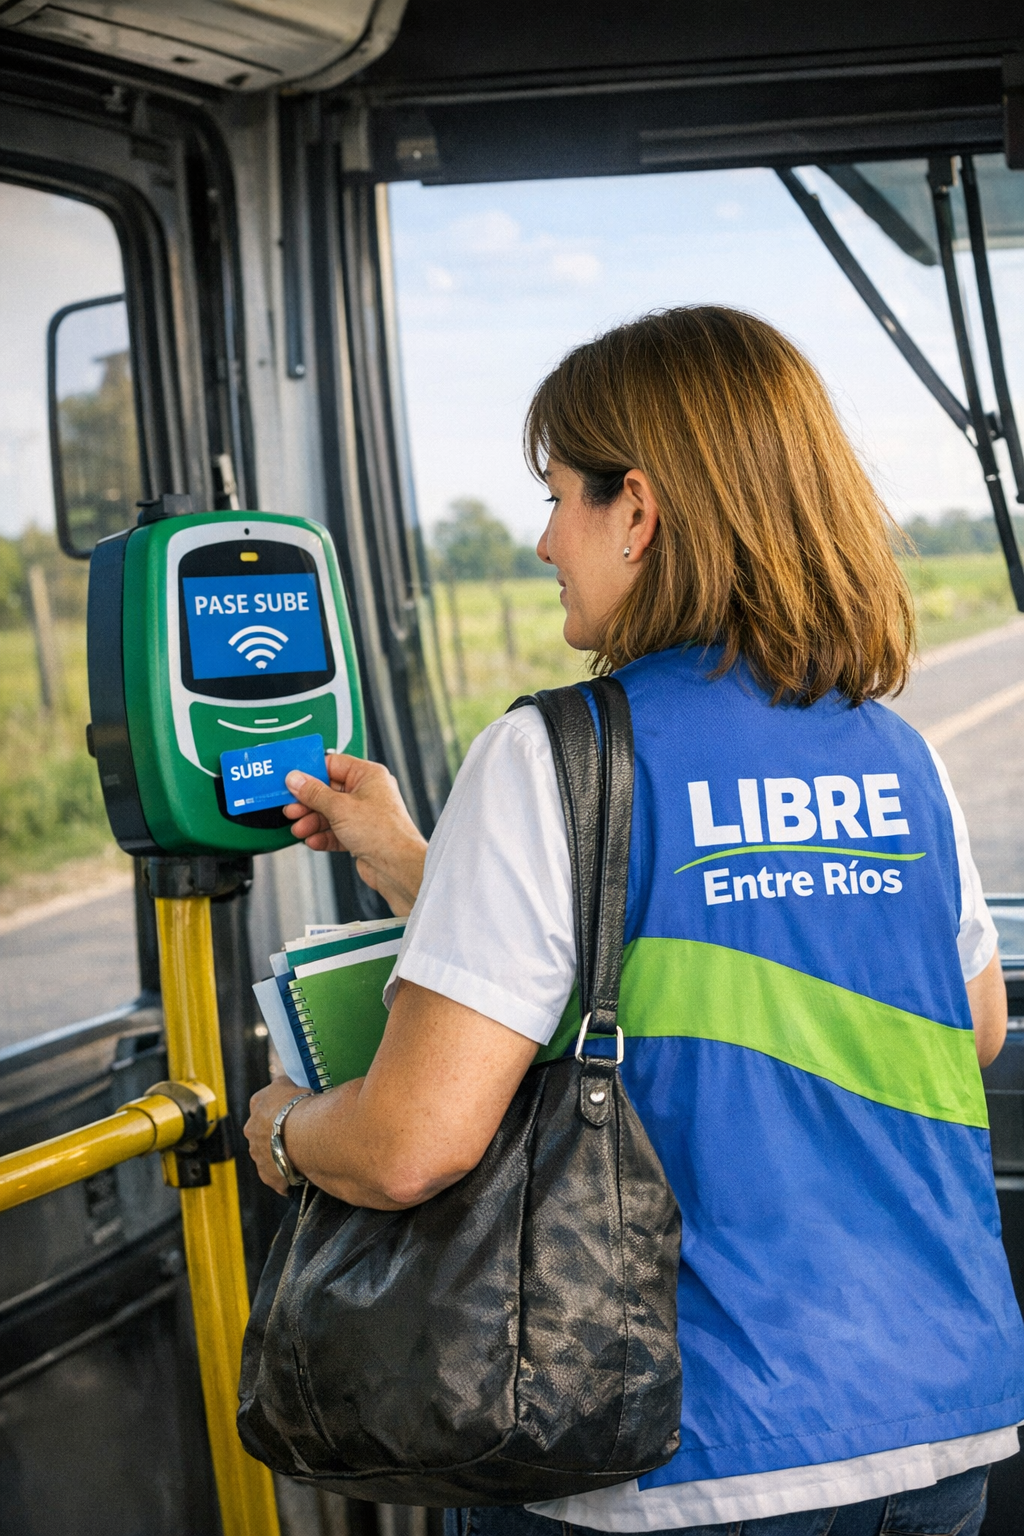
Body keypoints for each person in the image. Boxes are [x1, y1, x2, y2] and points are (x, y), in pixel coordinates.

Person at [245, 306, 1023, 1536]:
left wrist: (286, 1133)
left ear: (640, 511)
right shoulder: (895, 755)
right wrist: (415, 867)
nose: (545, 538)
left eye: (557, 495)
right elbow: (965, 1028)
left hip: (677, 1453)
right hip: (935, 1430)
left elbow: (411, 1144)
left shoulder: (554, 751)